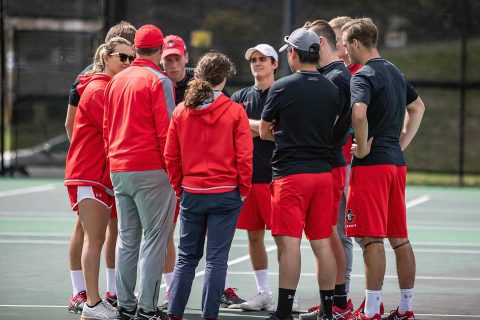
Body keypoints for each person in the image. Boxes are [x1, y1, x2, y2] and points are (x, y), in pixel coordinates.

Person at [340, 18, 425, 320]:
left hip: (372, 167)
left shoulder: (362, 75)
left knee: (371, 238)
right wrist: (401, 143)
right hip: (395, 165)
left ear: (357, 43)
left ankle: (372, 310)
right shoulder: (394, 71)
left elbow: (358, 113)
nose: (344, 51)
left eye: (346, 43)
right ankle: (405, 307)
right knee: (399, 237)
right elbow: (418, 108)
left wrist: (362, 148)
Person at [164, 51, 253, 320]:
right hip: (225, 194)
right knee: (216, 260)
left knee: (186, 259)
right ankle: (209, 315)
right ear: (223, 78)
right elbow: (245, 157)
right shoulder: (235, 111)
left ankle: (174, 314)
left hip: (192, 193)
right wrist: (243, 190)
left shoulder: (181, 111)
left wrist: (180, 188)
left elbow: (171, 156)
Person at [259, 28, 340, 320]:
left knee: (289, 244)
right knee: (322, 243)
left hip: (290, 176)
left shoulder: (282, 87)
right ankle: (328, 311)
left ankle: (284, 311)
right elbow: (332, 124)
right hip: (322, 175)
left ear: (293, 52)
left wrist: (284, 133)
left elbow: (266, 130)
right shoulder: (332, 88)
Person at [103, 24, 177, 320]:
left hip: (119, 168)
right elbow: (166, 132)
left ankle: (125, 305)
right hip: (151, 169)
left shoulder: (116, 81)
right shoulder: (160, 81)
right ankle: (147, 308)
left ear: (135, 49)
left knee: (127, 239)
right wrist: (174, 170)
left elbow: (107, 129)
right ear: (159, 51)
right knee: (155, 239)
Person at [65, 21, 137, 314]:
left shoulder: (107, 87)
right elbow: (115, 131)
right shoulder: (97, 90)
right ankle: (90, 301)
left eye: (132, 57)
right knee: (92, 238)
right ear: (106, 57)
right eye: (123, 57)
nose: (129, 63)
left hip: (98, 174)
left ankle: (97, 297)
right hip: (90, 173)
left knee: (96, 236)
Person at [298, 20, 353, 320]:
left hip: (328, 164)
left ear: (319, 42)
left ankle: (339, 303)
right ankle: (332, 302)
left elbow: (326, 123)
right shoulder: (328, 74)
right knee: (324, 235)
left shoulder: (336, 77)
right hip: (323, 162)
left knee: (329, 235)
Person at [226, 44, 278, 312]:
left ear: (274, 64)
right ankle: (264, 293)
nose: (257, 63)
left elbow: (275, 131)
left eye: (263, 59)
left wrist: (248, 124)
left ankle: (285, 295)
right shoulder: (239, 96)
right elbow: (232, 130)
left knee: (284, 239)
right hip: (247, 179)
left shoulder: (282, 92)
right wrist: (259, 127)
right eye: (253, 60)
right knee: (254, 238)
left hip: (276, 178)